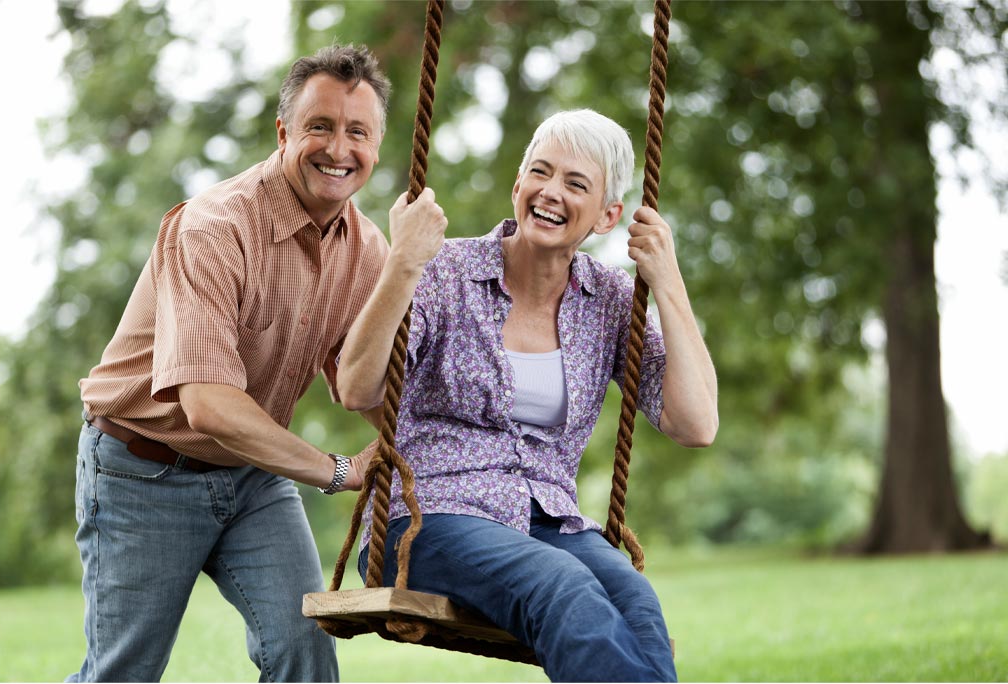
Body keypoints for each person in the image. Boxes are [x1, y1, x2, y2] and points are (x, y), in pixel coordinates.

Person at [69, 45, 438, 682]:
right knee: (122, 673)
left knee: (304, 651)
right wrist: (336, 470)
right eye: (319, 126)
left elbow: (363, 386)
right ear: (284, 132)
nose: (338, 148)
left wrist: (438, 458)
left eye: (358, 132)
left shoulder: (368, 248)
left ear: (376, 146)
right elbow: (208, 404)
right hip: (142, 470)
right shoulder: (215, 226)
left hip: (251, 479)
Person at [337, 109, 718, 682]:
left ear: (608, 215)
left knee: (635, 604)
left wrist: (668, 282)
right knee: (561, 586)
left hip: (547, 521)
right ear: (518, 185)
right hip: (428, 519)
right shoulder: (445, 272)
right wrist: (403, 262)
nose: (550, 192)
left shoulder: (610, 299)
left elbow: (696, 424)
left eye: (576, 184)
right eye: (540, 172)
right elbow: (354, 386)